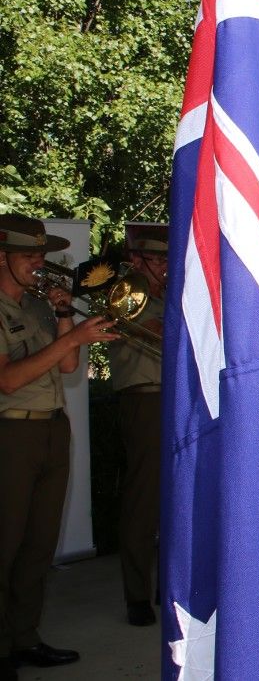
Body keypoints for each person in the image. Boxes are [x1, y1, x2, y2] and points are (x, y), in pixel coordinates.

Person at [0, 214, 119, 680]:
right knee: (5, 545)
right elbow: (7, 381)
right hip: (12, 432)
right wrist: (70, 336)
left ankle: (24, 637)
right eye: (29, 255)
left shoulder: (35, 306)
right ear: (2, 256)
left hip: (51, 428)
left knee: (37, 546)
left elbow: (69, 366)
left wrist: (66, 313)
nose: (39, 263)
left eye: (42, 255)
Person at [107, 224, 168, 627]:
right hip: (145, 397)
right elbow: (157, 333)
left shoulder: (168, 293)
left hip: (176, 397)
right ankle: (137, 595)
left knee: (176, 499)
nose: (163, 267)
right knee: (143, 500)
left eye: (166, 260)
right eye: (156, 260)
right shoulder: (125, 295)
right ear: (136, 259)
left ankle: (169, 584)